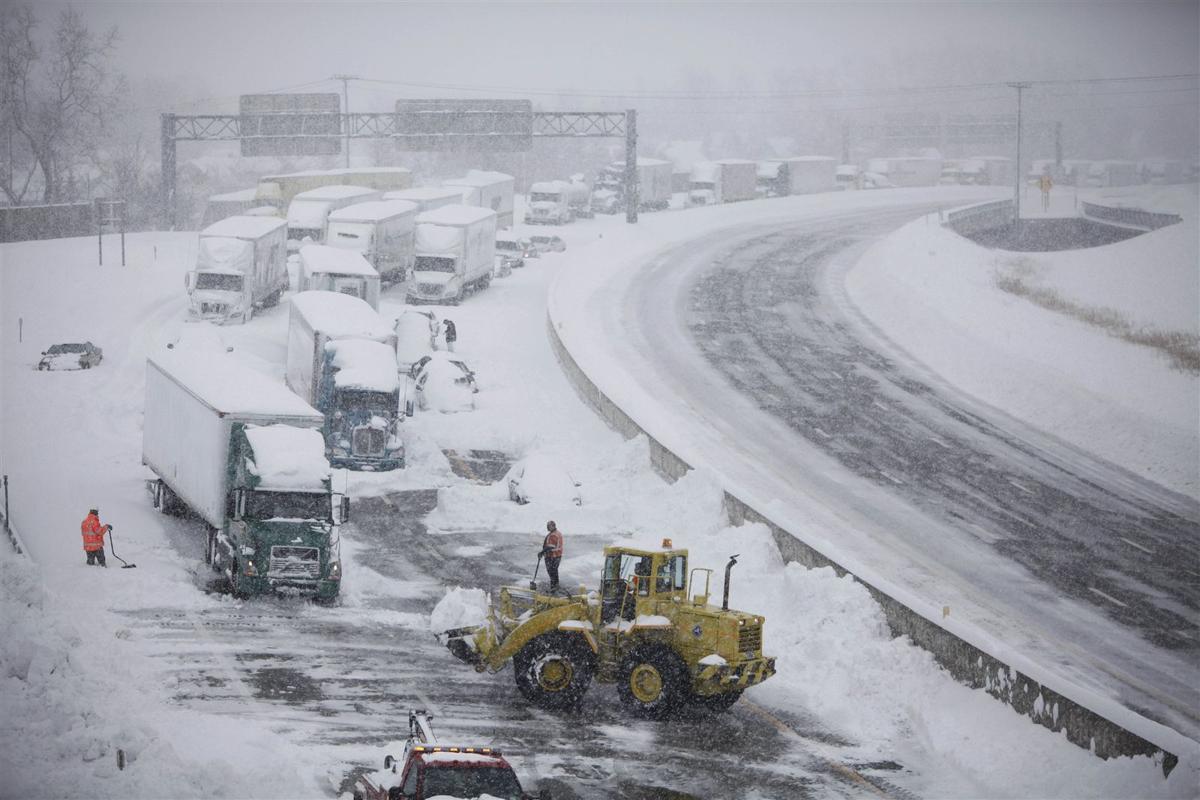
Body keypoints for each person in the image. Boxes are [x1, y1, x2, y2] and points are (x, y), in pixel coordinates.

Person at [540, 520, 564, 591]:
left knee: (551, 571)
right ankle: (555, 586)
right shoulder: (557, 533)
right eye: (547, 526)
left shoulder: (553, 535)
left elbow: (550, 546)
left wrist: (542, 552)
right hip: (557, 556)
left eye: (549, 526)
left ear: (553, 526)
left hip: (553, 556)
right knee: (554, 571)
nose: (547, 527)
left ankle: (554, 587)